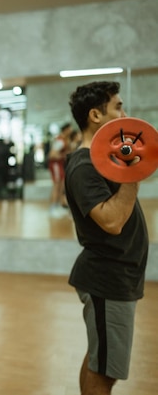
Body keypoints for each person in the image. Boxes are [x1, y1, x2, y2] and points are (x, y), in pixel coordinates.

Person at [64, 81, 148, 395]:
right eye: (118, 107)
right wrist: (133, 178)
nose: (125, 114)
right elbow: (111, 221)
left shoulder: (102, 160)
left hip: (117, 275)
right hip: (106, 277)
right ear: (96, 115)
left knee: (100, 359)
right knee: (105, 372)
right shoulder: (85, 165)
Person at [48, 122, 73, 217]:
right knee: (57, 186)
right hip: (55, 165)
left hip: (59, 165)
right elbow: (52, 155)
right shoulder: (60, 141)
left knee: (61, 186)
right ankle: (52, 209)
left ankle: (57, 206)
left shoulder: (64, 140)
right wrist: (64, 155)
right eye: (69, 129)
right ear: (66, 130)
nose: (71, 131)